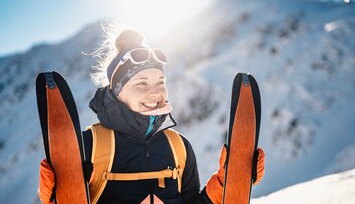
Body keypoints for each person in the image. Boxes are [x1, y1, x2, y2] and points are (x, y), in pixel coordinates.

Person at [38, 29, 265, 204]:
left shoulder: (179, 147)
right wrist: (56, 197)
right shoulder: (89, 146)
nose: (155, 92)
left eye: (160, 82)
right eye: (141, 83)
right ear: (117, 91)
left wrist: (225, 184)